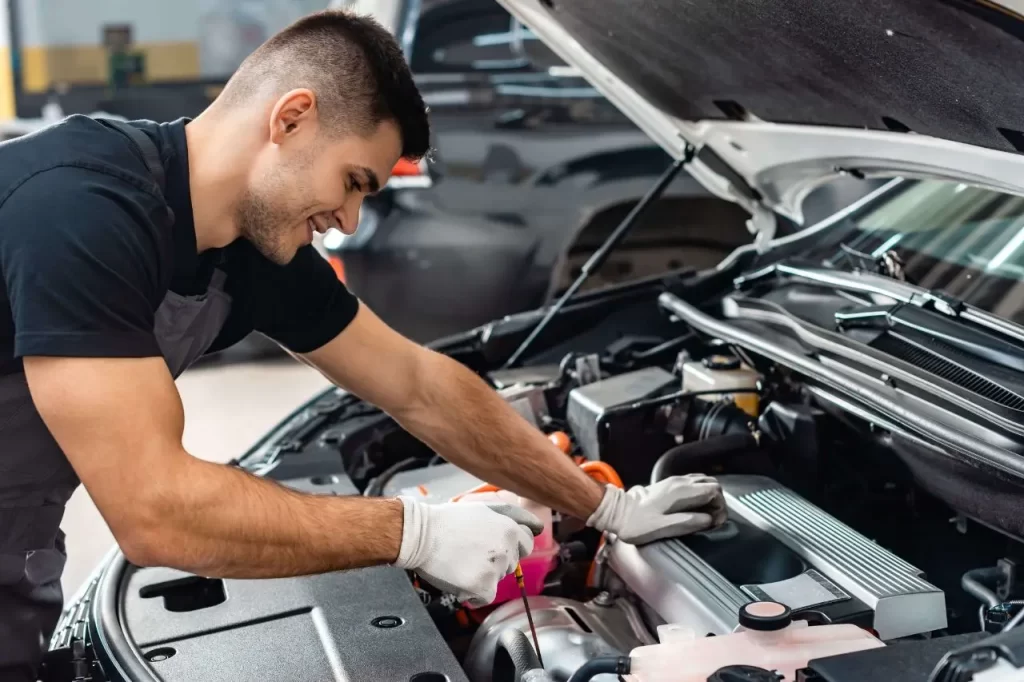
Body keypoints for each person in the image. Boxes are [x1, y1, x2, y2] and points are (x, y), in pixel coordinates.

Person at [0, 10, 726, 680]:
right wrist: (415, 534)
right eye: (353, 181)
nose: (347, 220)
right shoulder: (82, 210)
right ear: (291, 118)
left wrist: (606, 509)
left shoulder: (249, 250)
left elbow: (418, 385)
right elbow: (155, 509)